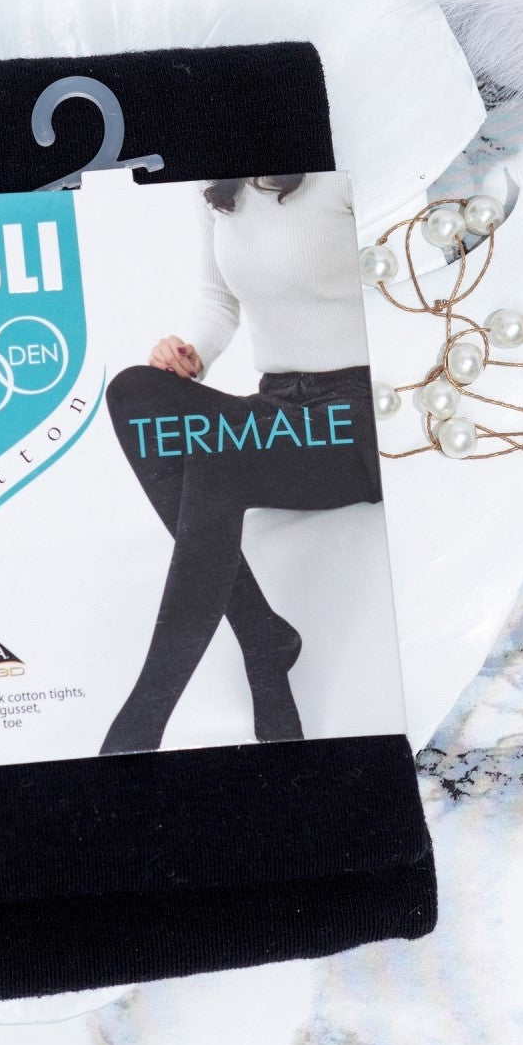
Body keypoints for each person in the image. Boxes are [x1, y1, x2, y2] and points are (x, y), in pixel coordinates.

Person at [99, 173, 383, 755]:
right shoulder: (215, 185)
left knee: (218, 451)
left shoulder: (340, 176)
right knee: (133, 391)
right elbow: (218, 299)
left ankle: (142, 724)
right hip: (279, 404)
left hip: (358, 412)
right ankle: (262, 636)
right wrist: (190, 355)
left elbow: (395, 286)